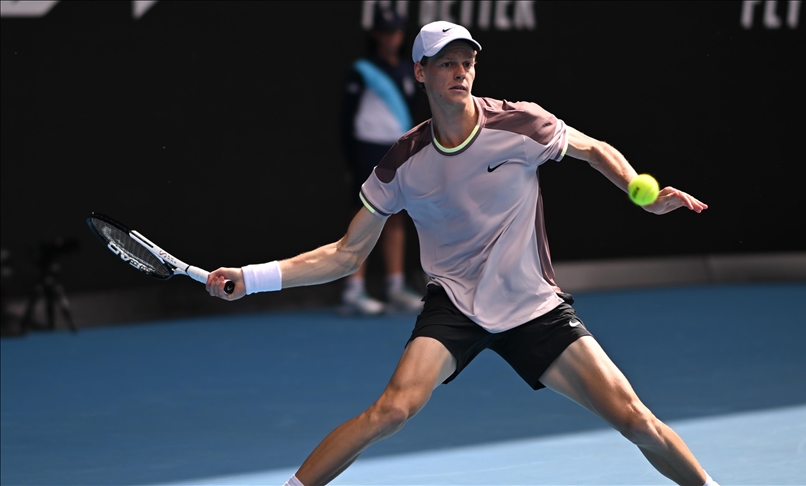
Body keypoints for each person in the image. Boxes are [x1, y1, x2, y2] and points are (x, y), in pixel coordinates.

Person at [206, 21, 718, 486]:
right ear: (421, 73)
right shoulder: (403, 162)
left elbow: (592, 148)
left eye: (467, 62)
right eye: (447, 63)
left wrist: (638, 192)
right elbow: (345, 255)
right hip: (454, 304)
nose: (460, 72)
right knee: (391, 411)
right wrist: (251, 278)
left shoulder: (520, 123)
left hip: (533, 305)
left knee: (635, 419)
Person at [338, 5, 423, 315]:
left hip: (396, 151)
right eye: (386, 33)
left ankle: (395, 285)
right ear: (375, 36)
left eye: (396, 32)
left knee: (397, 216)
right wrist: (350, 159)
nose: (392, 38)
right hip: (366, 150)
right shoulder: (362, 70)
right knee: (365, 214)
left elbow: (413, 116)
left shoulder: (407, 71)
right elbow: (347, 118)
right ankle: (353, 289)